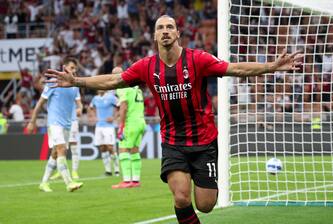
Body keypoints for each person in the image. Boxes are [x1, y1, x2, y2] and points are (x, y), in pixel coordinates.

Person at [45, 15, 302, 223]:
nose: (166, 31)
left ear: (177, 34)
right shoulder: (146, 66)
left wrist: (270, 66)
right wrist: (76, 81)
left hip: (204, 141)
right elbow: (113, 80)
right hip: (173, 142)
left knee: (206, 204)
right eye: (160, 28)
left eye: (170, 27)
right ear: (155, 36)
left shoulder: (198, 59)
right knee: (180, 198)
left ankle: (207, 188)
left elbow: (234, 68)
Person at [28, 57, 83, 192]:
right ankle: (69, 183)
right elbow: (40, 103)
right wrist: (32, 121)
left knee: (54, 153)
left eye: (75, 68)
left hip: (67, 124)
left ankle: (44, 183)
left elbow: (78, 104)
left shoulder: (75, 86)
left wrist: (80, 108)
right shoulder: (53, 83)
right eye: (71, 67)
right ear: (64, 67)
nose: (73, 70)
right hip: (54, 123)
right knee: (61, 149)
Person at [112, 67, 146, 189]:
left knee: (123, 149)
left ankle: (126, 181)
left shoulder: (122, 88)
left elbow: (124, 107)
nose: (113, 78)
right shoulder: (136, 88)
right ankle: (135, 180)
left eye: (115, 75)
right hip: (141, 122)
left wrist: (121, 125)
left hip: (130, 123)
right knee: (135, 150)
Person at [50, 97, 83, 180]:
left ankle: (74, 171)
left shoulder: (73, 88)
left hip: (72, 121)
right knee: (59, 148)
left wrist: (80, 109)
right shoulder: (57, 88)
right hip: (59, 122)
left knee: (73, 147)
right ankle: (60, 171)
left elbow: (79, 103)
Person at [89, 89, 119, 176]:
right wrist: (93, 117)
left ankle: (117, 170)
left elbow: (120, 106)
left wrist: (114, 117)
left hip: (108, 127)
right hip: (99, 126)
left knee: (110, 147)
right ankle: (108, 170)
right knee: (102, 147)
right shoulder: (95, 98)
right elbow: (90, 108)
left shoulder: (111, 97)